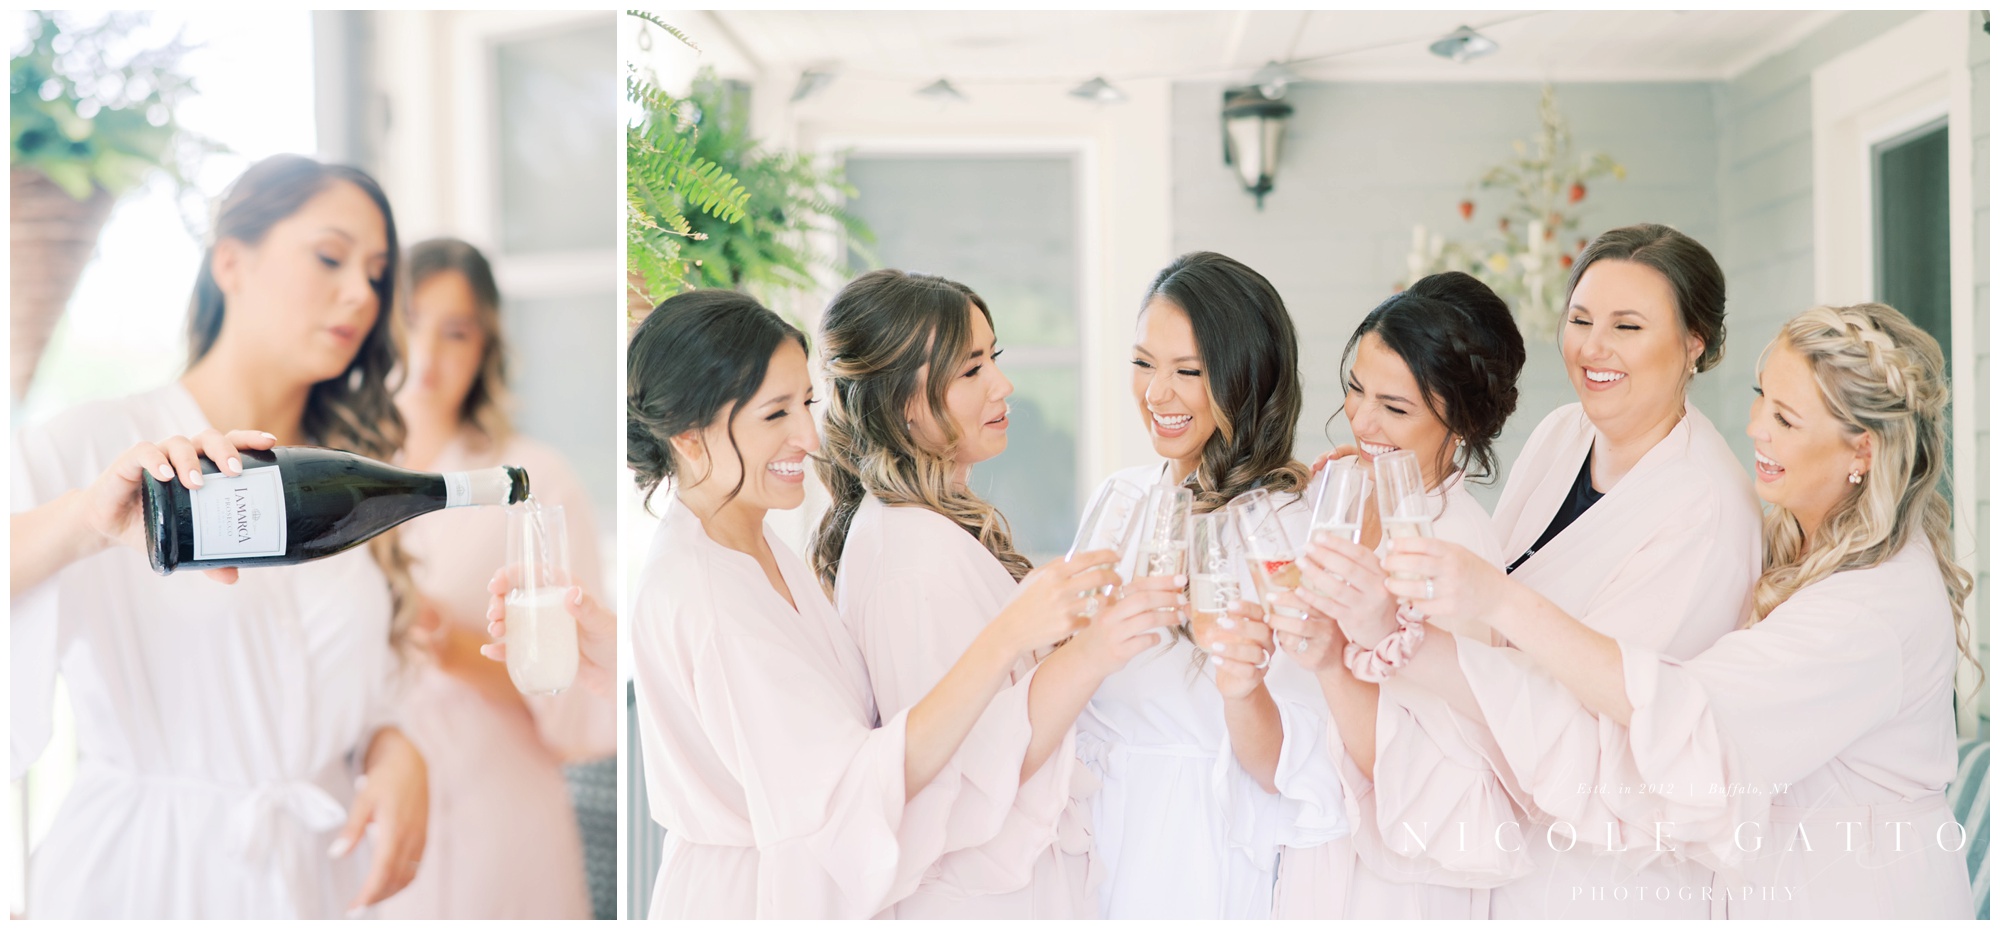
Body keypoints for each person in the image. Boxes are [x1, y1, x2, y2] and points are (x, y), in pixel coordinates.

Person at [1386, 303, 1977, 918]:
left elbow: (1692, 718)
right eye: (1760, 397)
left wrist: (1501, 599)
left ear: (1863, 451)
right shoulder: (1801, 539)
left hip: (1858, 897)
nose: (1756, 429)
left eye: (1786, 419)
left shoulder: (1869, 609)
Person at [1303, 223, 1764, 917]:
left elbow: (1611, 721)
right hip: (1502, 830)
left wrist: (1390, 638)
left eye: (1627, 326)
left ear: (1693, 342)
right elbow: (1494, 614)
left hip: (1609, 868)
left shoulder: (1706, 508)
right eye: (1580, 319)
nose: (1593, 348)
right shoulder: (1563, 433)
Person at [9, 154, 427, 918]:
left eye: (376, 273)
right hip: (143, 880)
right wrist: (85, 521)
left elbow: (357, 686)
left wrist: (390, 746)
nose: (359, 294)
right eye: (330, 257)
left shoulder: (358, 479)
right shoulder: (103, 444)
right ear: (231, 260)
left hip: (313, 879)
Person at [627, 290, 1130, 917]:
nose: (809, 437)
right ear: (691, 439)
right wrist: (1011, 636)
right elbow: (848, 793)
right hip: (757, 899)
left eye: (806, 403)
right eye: (775, 414)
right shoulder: (710, 597)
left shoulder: (751, 544)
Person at [808, 269, 1178, 918]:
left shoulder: (925, 526)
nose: (1003, 386)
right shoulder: (910, 556)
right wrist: (1092, 650)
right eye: (972, 369)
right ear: (907, 404)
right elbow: (963, 772)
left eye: (994, 359)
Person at [1076, 250, 1346, 919]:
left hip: (1200, 848)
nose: (1156, 393)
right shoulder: (1120, 499)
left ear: (1247, 380)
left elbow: (1289, 763)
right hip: (1095, 827)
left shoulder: (1285, 528)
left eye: (1188, 373)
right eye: (1143, 363)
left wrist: (1239, 678)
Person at [1254, 271, 1528, 918]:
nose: (1362, 419)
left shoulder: (1457, 554)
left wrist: (1327, 659)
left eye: (1395, 408)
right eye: (1355, 388)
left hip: (1397, 876)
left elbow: (1434, 772)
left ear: (1458, 423)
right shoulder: (1338, 490)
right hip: (1312, 835)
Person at [374, 238, 603, 919]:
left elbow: (572, 683)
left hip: (497, 798)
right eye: (410, 324)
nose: (429, 355)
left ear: (486, 348)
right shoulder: (327, 477)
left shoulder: (532, 482)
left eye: (457, 332)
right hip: (369, 792)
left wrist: (448, 641)